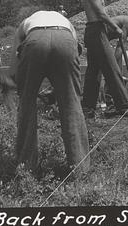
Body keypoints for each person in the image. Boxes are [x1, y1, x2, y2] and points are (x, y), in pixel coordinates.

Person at [13, 10, 90, 175]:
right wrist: (61, 89)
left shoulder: (26, 23)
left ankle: (26, 168)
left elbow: (15, 60)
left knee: (27, 103)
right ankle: (80, 168)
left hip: (34, 42)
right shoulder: (66, 23)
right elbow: (75, 53)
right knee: (71, 103)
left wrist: (19, 84)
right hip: (66, 40)